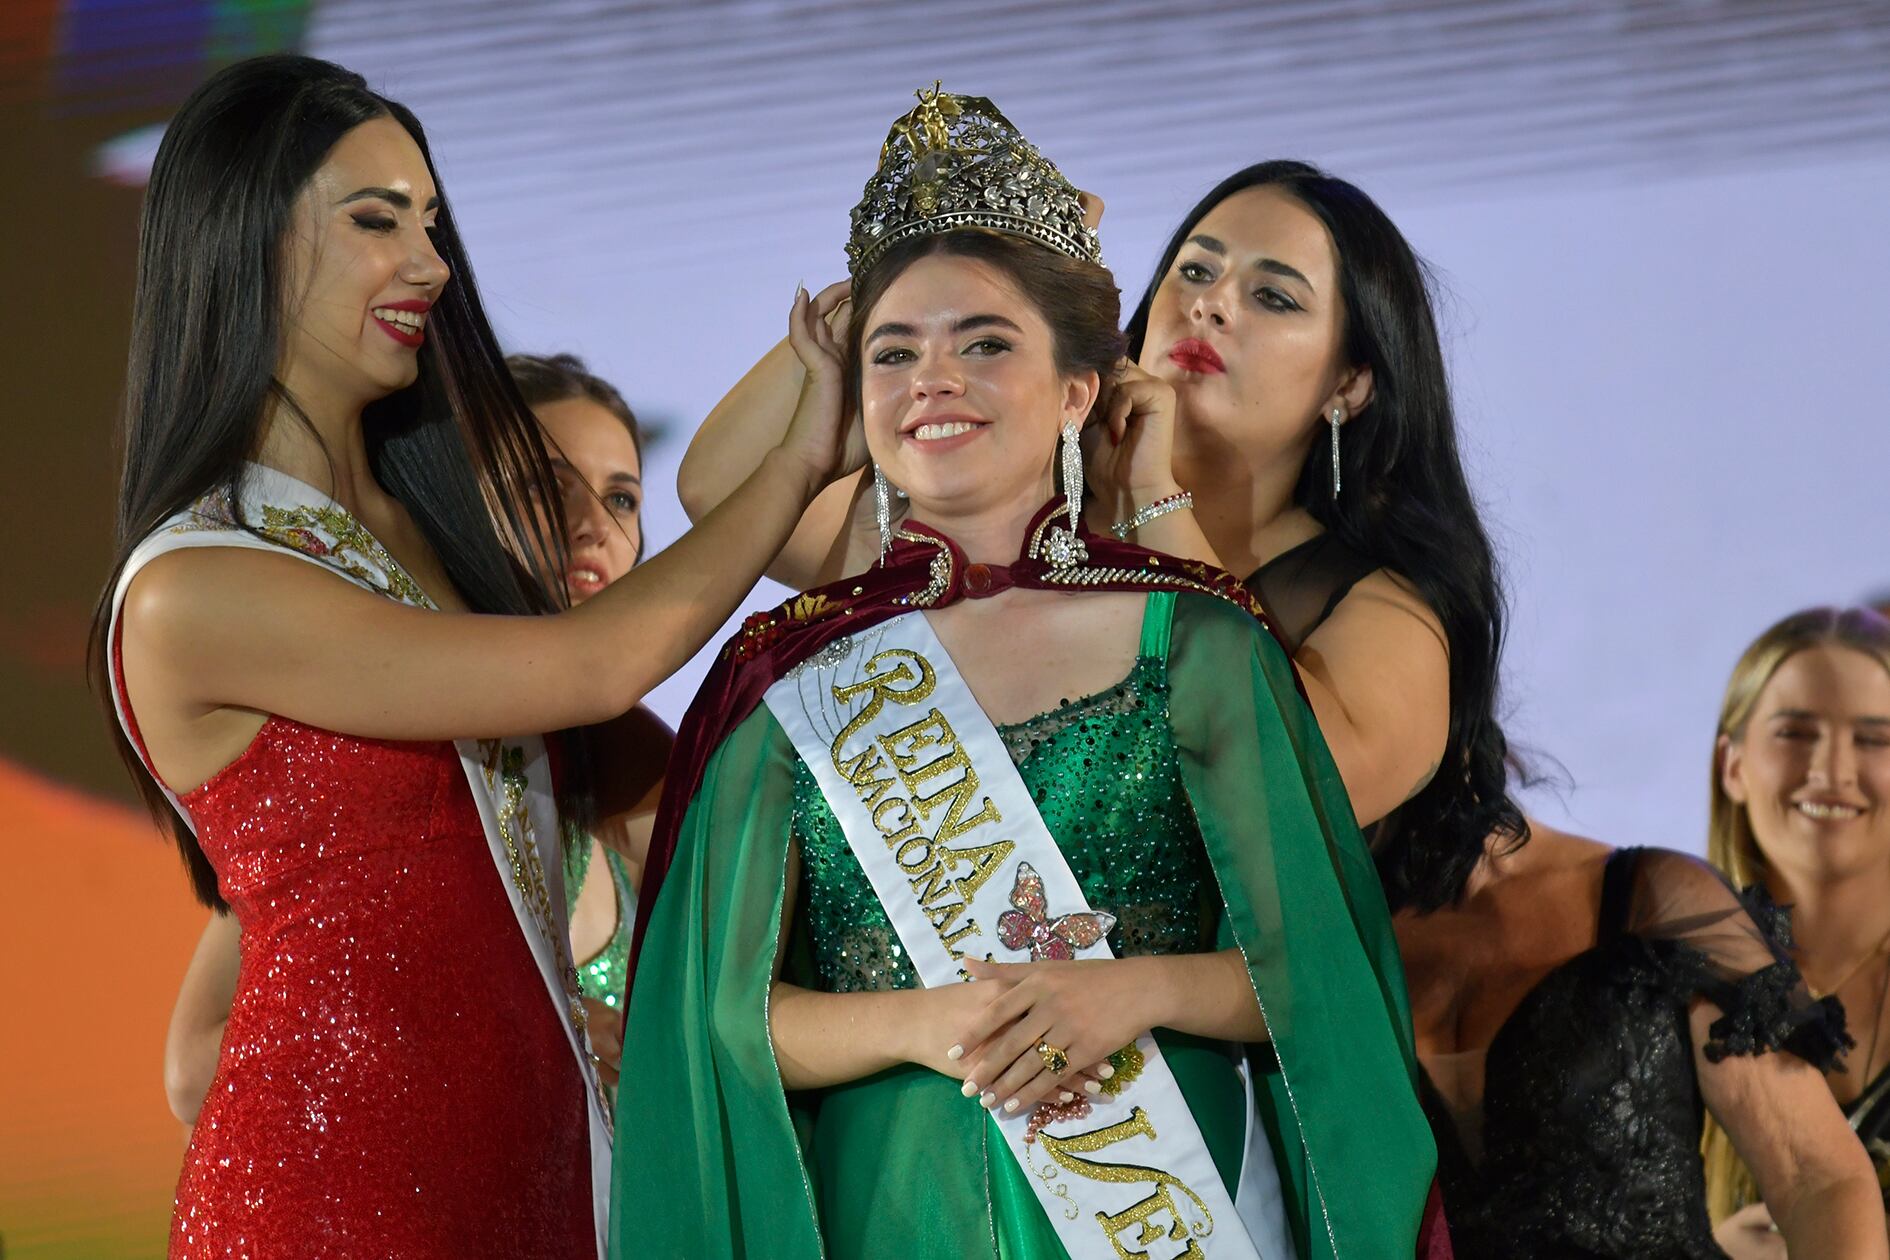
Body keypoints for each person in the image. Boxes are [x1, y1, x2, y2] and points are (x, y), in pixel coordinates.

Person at [613, 86, 1438, 1260]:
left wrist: (1130, 991)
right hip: (888, 1213)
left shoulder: (1198, 640)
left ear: (1077, 389)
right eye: (895, 353)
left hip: (1163, 1202)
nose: (933, 378)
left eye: (986, 342)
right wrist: (922, 1021)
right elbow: (716, 1024)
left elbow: (1325, 977)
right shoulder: (791, 669)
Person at [92, 55, 848, 1257]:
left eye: (433, 222)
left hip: (532, 1183)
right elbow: (597, 667)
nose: (433, 266)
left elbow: (649, 773)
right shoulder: (200, 585)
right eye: (377, 220)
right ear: (245, 241)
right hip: (334, 1201)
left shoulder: (421, 533)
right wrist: (796, 462)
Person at [675, 159, 1522, 919]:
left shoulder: (1383, 609)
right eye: (1194, 269)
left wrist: (1156, 501)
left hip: (1207, 1074)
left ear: (1350, 381)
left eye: (1273, 296)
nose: (1211, 302)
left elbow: (1291, 783)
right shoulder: (1010, 508)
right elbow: (727, 491)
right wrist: (937, 261)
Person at [160, 352, 662, 1125]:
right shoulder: (385, 755)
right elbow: (197, 1065)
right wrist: (527, 1039)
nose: (593, 525)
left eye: (622, 499)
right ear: (458, 505)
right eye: (544, 487)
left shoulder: (632, 765)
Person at [1702, 606, 1890, 1258]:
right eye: (1795, 732)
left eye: (1875, 739)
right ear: (1732, 765)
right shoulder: (1659, 984)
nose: (1833, 771)